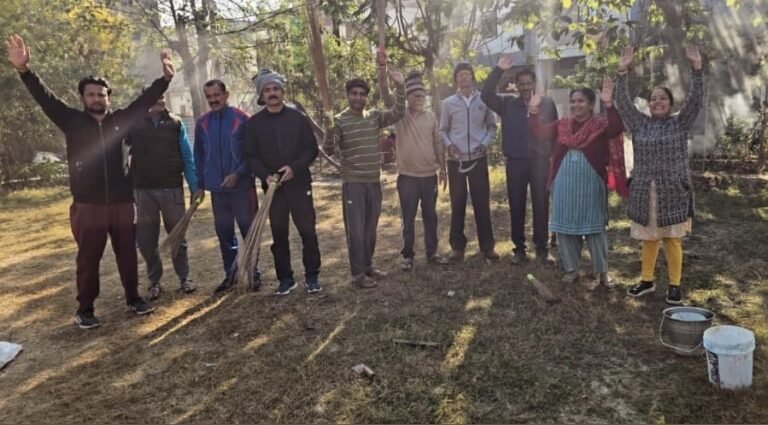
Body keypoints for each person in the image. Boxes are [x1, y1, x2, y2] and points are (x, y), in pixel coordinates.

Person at [4, 34, 172, 328]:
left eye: (101, 95)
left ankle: (133, 298)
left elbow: (144, 100)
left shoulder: (121, 120)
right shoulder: (71, 121)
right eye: (91, 94)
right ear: (82, 98)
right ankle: (85, 309)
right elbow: (45, 98)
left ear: (109, 98)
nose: (97, 99)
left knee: (127, 255)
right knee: (88, 258)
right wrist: (24, 70)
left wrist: (165, 79)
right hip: (88, 205)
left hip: (121, 203)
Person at [615, 46, 704, 305]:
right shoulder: (639, 123)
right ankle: (646, 280)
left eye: (662, 98)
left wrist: (697, 69)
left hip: (673, 190)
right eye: (653, 98)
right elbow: (622, 104)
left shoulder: (680, 122)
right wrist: (622, 71)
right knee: (648, 238)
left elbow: (695, 101)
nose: (657, 102)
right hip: (645, 191)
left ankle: (674, 285)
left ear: (670, 103)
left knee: (672, 239)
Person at [528, 78, 628, 290]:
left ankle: (602, 271)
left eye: (581, 101)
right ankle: (571, 269)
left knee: (594, 228)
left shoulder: (600, 125)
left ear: (591, 105)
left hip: (591, 182)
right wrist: (534, 110)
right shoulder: (563, 124)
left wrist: (609, 104)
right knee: (565, 227)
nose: (575, 105)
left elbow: (616, 128)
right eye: (573, 101)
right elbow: (539, 132)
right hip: (563, 182)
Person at [323, 48, 405, 288]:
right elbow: (329, 149)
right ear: (348, 95)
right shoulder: (339, 120)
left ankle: (368, 266)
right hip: (354, 184)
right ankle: (358, 274)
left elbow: (398, 112)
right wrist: (329, 129)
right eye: (354, 93)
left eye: (362, 94)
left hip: (373, 182)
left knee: (370, 229)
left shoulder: (374, 117)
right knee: (356, 231)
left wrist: (400, 86)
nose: (358, 97)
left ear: (366, 97)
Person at [243, 69, 321, 296]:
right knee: (279, 235)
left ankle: (312, 276)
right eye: (267, 90)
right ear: (261, 95)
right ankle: (285, 279)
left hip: (299, 185)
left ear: (282, 92)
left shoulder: (298, 119)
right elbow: (250, 156)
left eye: (276, 89)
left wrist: (294, 168)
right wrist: (265, 176)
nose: (272, 93)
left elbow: (311, 149)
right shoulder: (254, 124)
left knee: (308, 232)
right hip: (273, 189)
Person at [481, 53, 559, 265]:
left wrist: (554, 158)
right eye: (521, 84)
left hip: (540, 162)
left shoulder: (547, 103)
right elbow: (486, 94)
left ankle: (542, 248)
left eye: (528, 83)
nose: (525, 87)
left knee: (541, 205)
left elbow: (555, 132)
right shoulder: (507, 104)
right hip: (516, 162)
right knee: (516, 205)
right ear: (516, 86)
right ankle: (519, 249)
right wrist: (499, 70)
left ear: (534, 84)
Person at [126, 94, 198, 300]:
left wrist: (194, 186)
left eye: (161, 97)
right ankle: (154, 281)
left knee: (177, 236)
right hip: (143, 190)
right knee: (147, 239)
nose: (158, 101)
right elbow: (123, 155)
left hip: (171, 188)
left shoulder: (175, 123)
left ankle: (184, 278)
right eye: (153, 97)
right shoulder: (133, 124)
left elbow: (186, 155)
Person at [192, 79, 259, 293]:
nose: (213, 100)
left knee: (249, 231)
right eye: (209, 97)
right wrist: (199, 184)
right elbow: (198, 155)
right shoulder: (202, 123)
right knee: (224, 234)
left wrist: (238, 174)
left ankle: (253, 274)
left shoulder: (242, 119)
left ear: (226, 95)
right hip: (217, 190)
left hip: (242, 188)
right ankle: (231, 275)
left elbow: (253, 154)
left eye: (216, 95)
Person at [440, 62, 499, 263]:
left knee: (481, 203)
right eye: (460, 74)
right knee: (457, 203)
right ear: (456, 79)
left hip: (478, 159)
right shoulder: (448, 103)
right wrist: (449, 146)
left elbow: (492, 126)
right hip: (455, 161)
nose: (464, 77)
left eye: (467, 74)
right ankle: (457, 247)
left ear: (472, 77)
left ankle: (487, 247)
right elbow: (443, 130)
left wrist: (484, 143)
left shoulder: (483, 99)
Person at [391, 71, 449, 271]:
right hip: (407, 177)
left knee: (430, 216)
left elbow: (438, 143)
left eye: (423, 96)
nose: (420, 99)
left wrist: (443, 169)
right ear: (407, 97)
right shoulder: (399, 115)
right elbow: (386, 95)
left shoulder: (431, 117)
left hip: (429, 176)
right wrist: (388, 76)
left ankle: (432, 253)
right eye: (416, 96)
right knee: (408, 218)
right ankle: (407, 256)